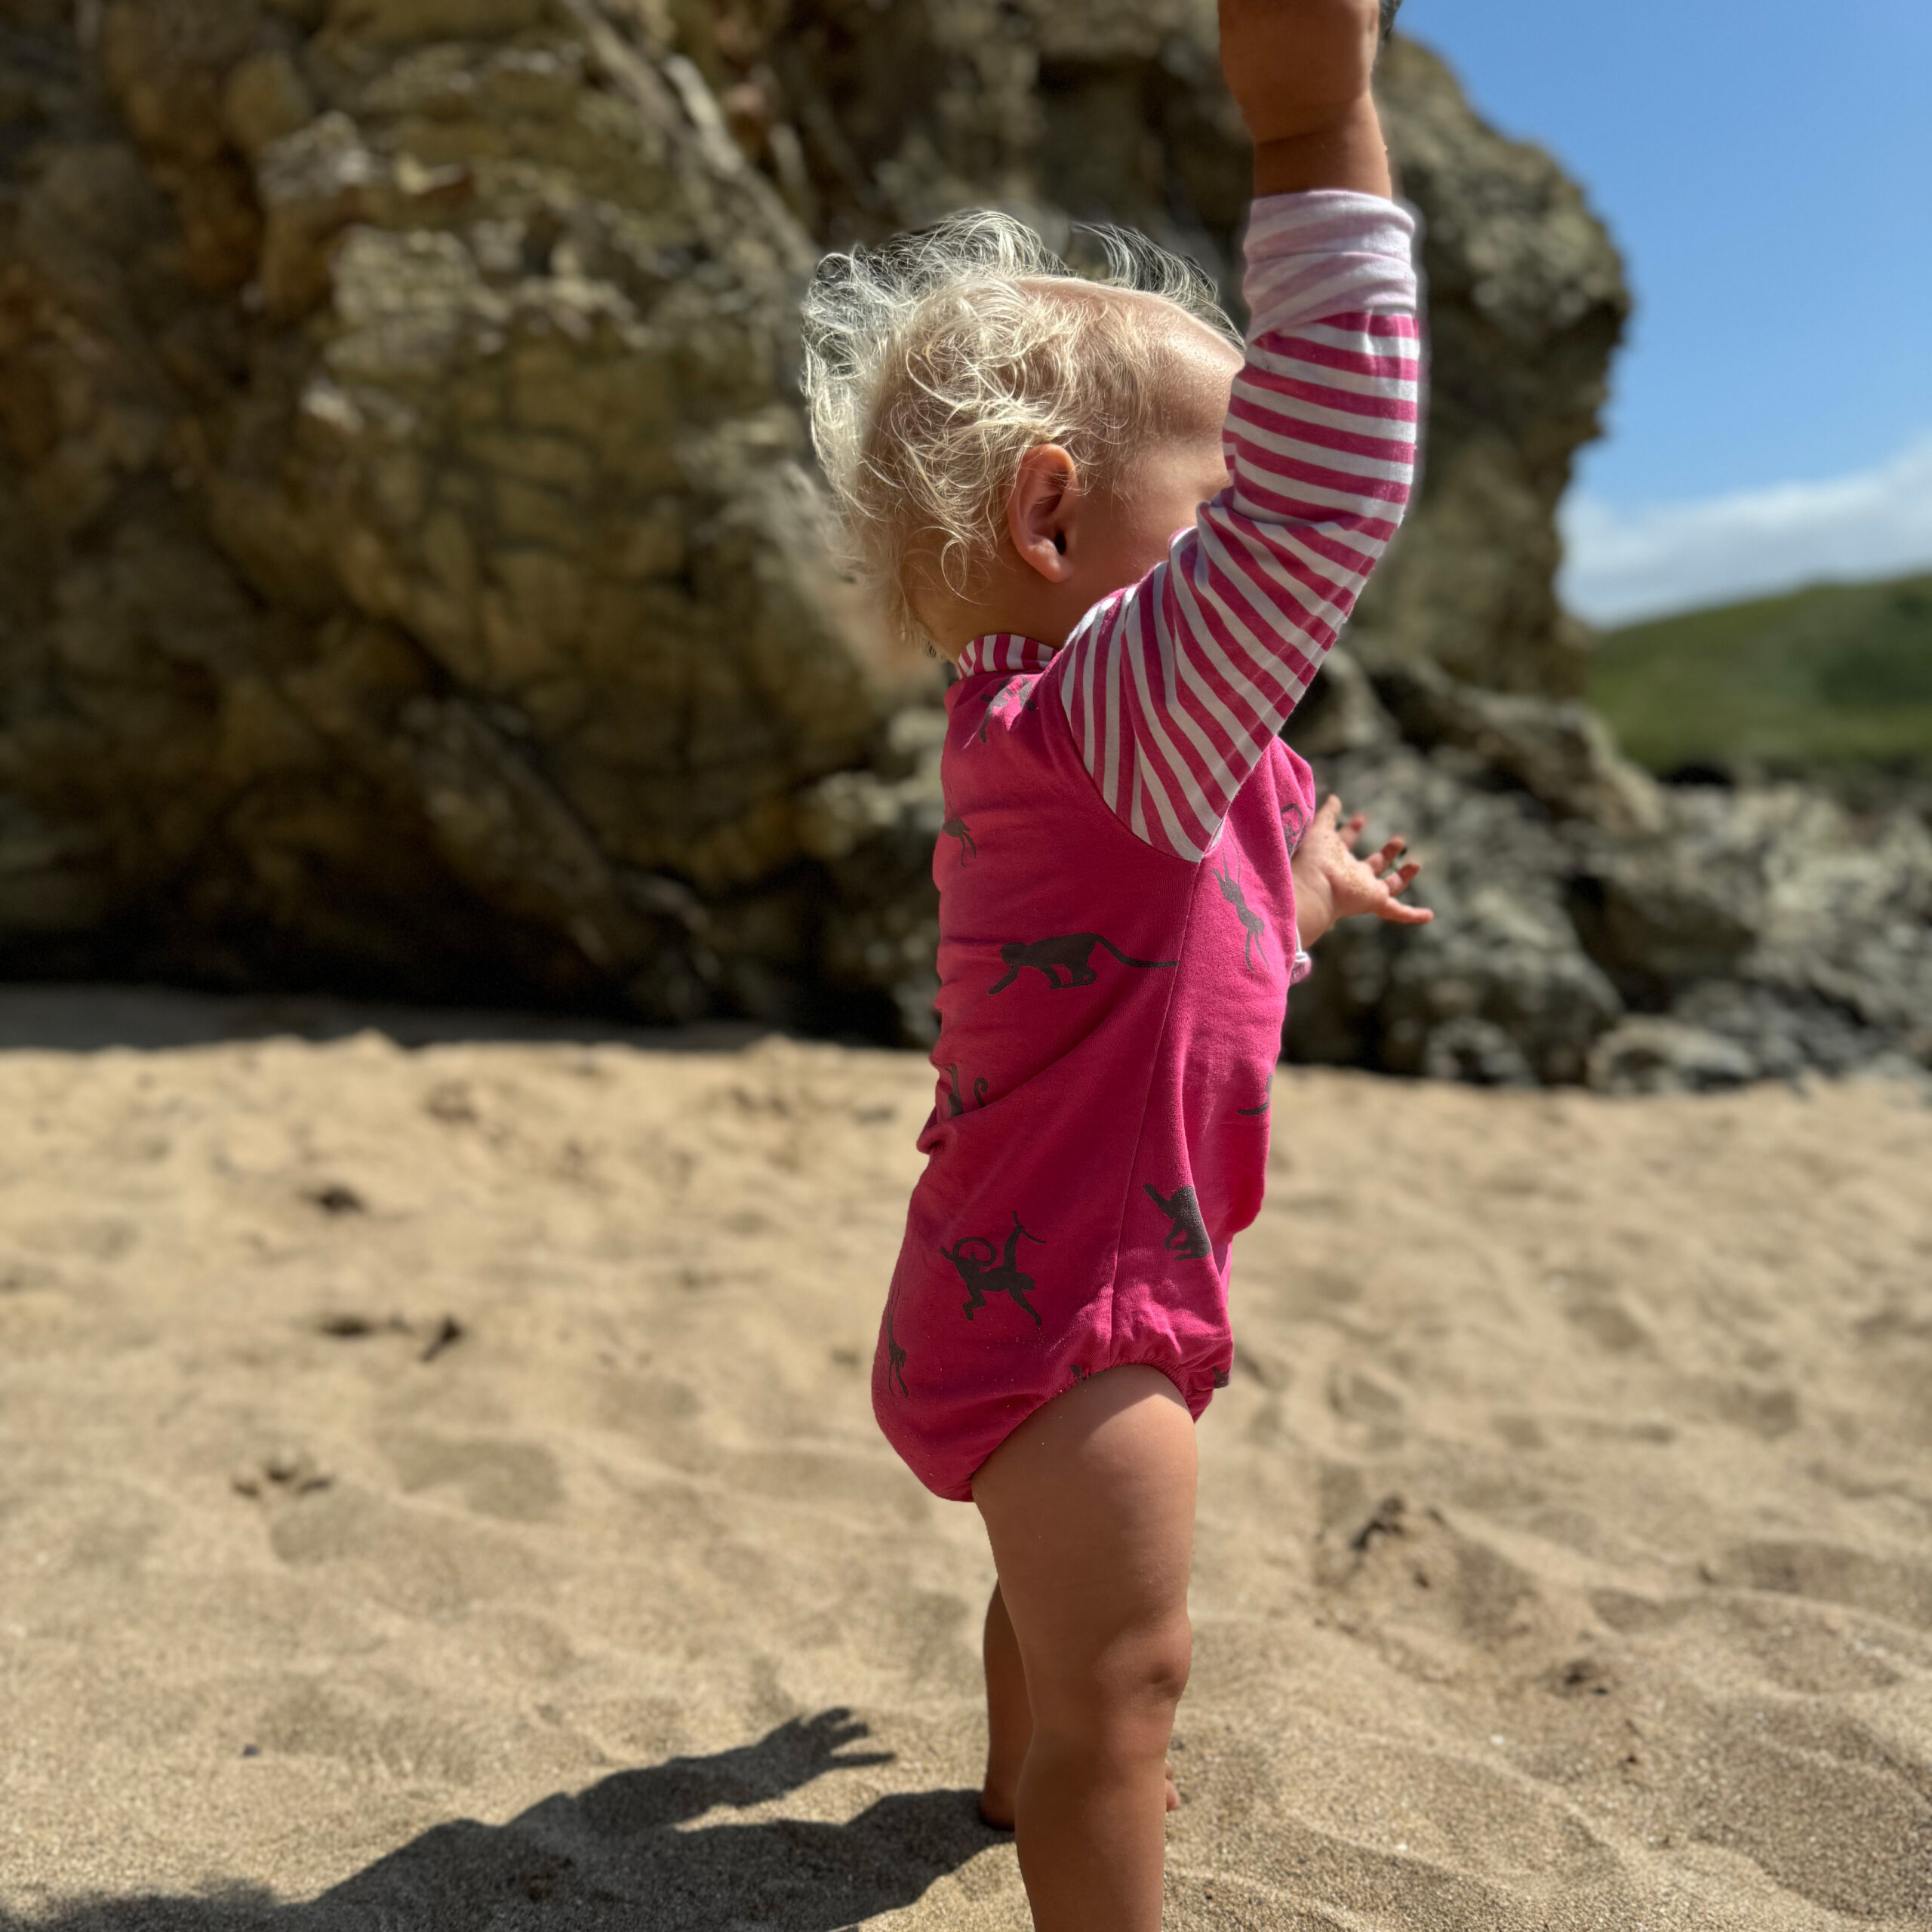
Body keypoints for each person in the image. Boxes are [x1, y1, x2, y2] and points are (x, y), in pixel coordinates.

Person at [802, 3, 1432, 1924]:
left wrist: (1307, 884)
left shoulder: (1079, 745)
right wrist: (1314, 124)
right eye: (1216, 496)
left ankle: (1010, 1787)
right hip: (1074, 1306)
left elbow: (1181, 943)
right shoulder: (1100, 720)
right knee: (1131, 1679)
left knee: (1055, 1608)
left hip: (1013, 1268)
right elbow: (1334, 482)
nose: (1254, 547)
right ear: (1051, 511)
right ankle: (1061, 1801)